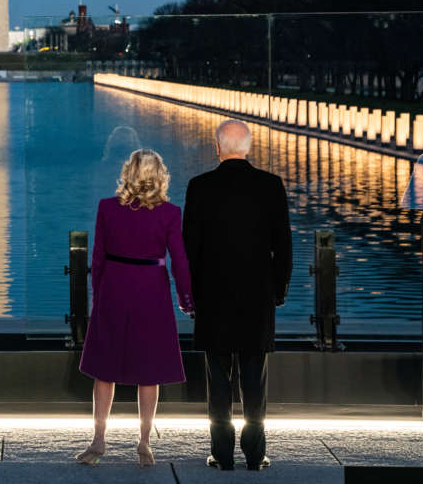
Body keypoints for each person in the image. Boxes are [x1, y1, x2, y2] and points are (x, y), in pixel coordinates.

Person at [182, 119, 292, 472]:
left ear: (217, 148)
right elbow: (284, 248)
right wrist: (278, 290)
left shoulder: (199, 187)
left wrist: (192, 294)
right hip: (257, 297)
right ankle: (255, 455)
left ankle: (222, 453)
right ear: (248, 147)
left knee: (218, 381)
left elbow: (190, 249)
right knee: (254, 379)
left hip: (213, 298)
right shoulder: (271, 185)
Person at [76, 149, 193, 468]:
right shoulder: (170, 213)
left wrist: (98, 294)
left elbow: (97, 257)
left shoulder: (107, 209)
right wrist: (186, 298)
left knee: (105, 370)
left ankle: (99, 440)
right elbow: (179, 261)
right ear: (159, 176)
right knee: (149, 370)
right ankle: (143, 443)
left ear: (128, 172)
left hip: (114, 286)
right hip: (151, 290)